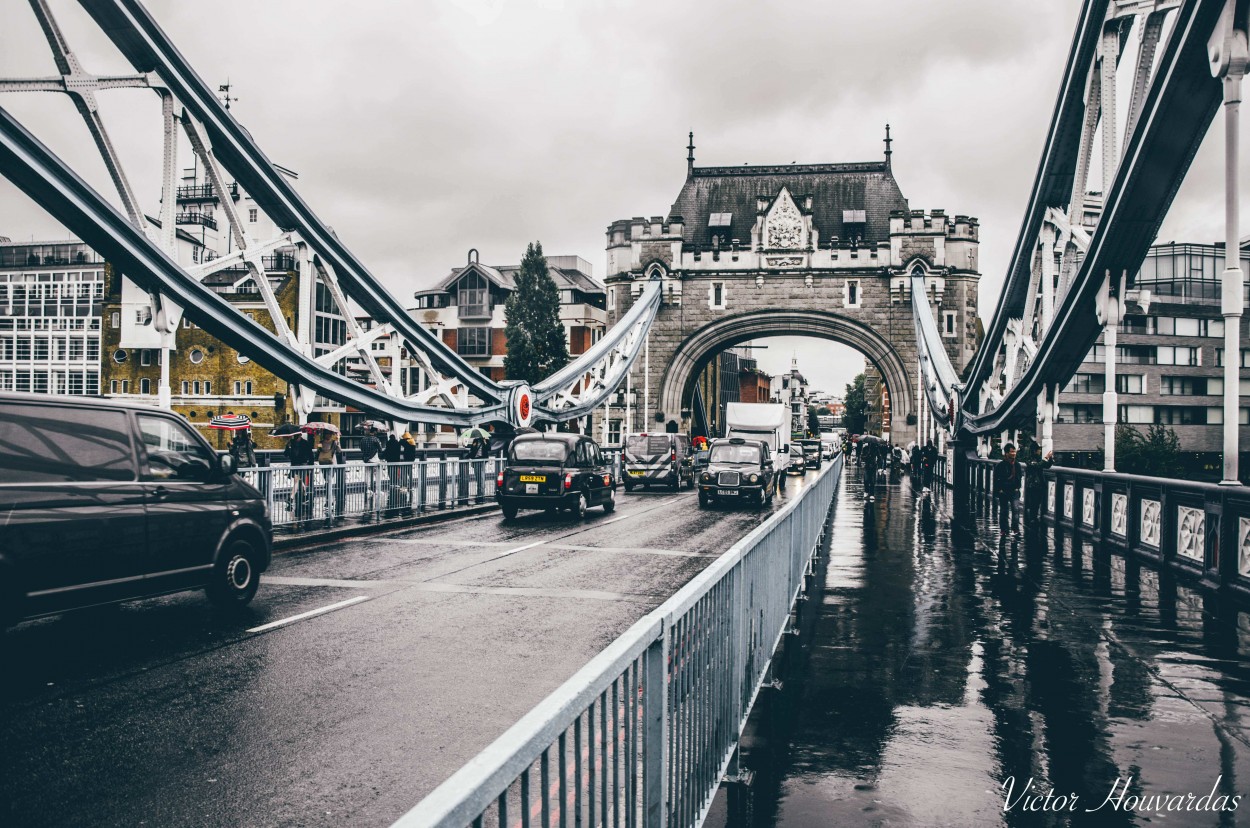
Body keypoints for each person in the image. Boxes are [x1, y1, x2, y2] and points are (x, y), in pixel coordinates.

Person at [993, 442, 1023, 531]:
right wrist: (999, 490)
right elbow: (996, 480)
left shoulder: (1017, 465)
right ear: (1006, 453)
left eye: (1015, 452)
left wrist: (1018, 487)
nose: (1014, 453)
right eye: (1012, 452)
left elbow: (1019, 477)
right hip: (1004, 491)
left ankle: (1015, 529)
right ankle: (1004, 530)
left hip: (1014, 491)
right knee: (1004, 512)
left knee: (1016, 511)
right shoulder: (1000, 465)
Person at [1025, 442, 1054, 524]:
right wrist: (1045, 458)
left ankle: (1034, 518)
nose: (1040, 451)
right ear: (1034, 450)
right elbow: (1037, 466)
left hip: (1039, 484)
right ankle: (1032, 519)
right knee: (1033, 503)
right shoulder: (1029, 459)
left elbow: (1046, 466)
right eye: (1038, 450)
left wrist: (1050, 459)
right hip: (1032, 485)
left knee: (1037, 503)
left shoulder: (1037, 458)